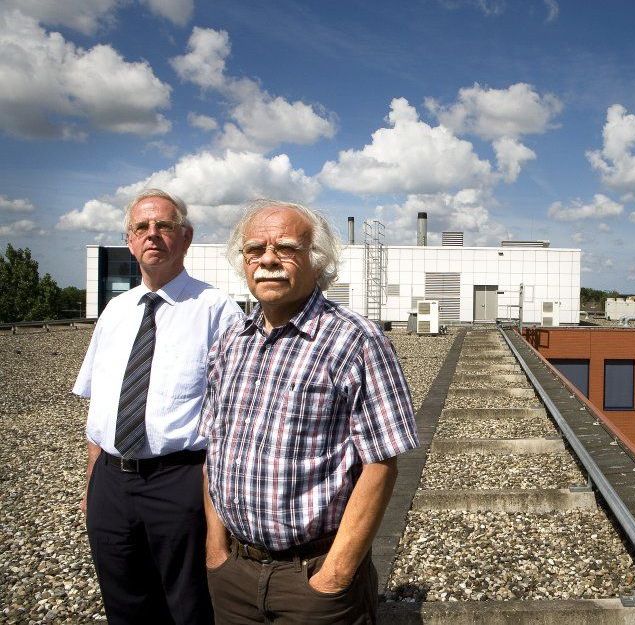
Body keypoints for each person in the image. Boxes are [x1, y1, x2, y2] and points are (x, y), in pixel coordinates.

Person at [200, 199, 417, 624]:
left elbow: (382, 465)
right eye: (254, 250)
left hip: (313, 580)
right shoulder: (229, 343)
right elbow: (214, 448)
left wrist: (334, 574)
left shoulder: (355, 340)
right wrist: (215, 550)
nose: (267, 260)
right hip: (234, 577)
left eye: (285, 248)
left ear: (316, 263)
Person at [74, 189, 243, 624]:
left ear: (185, 237)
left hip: (180, 481)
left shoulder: (216, 310)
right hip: (111, 483)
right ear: (130, 242)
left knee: (188, 605)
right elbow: (102, 405)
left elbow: (235, 415)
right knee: (124, 603)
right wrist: (93, 481)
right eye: (141, 228)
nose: (153, 235)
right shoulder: (115, 311)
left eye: (164, 226)